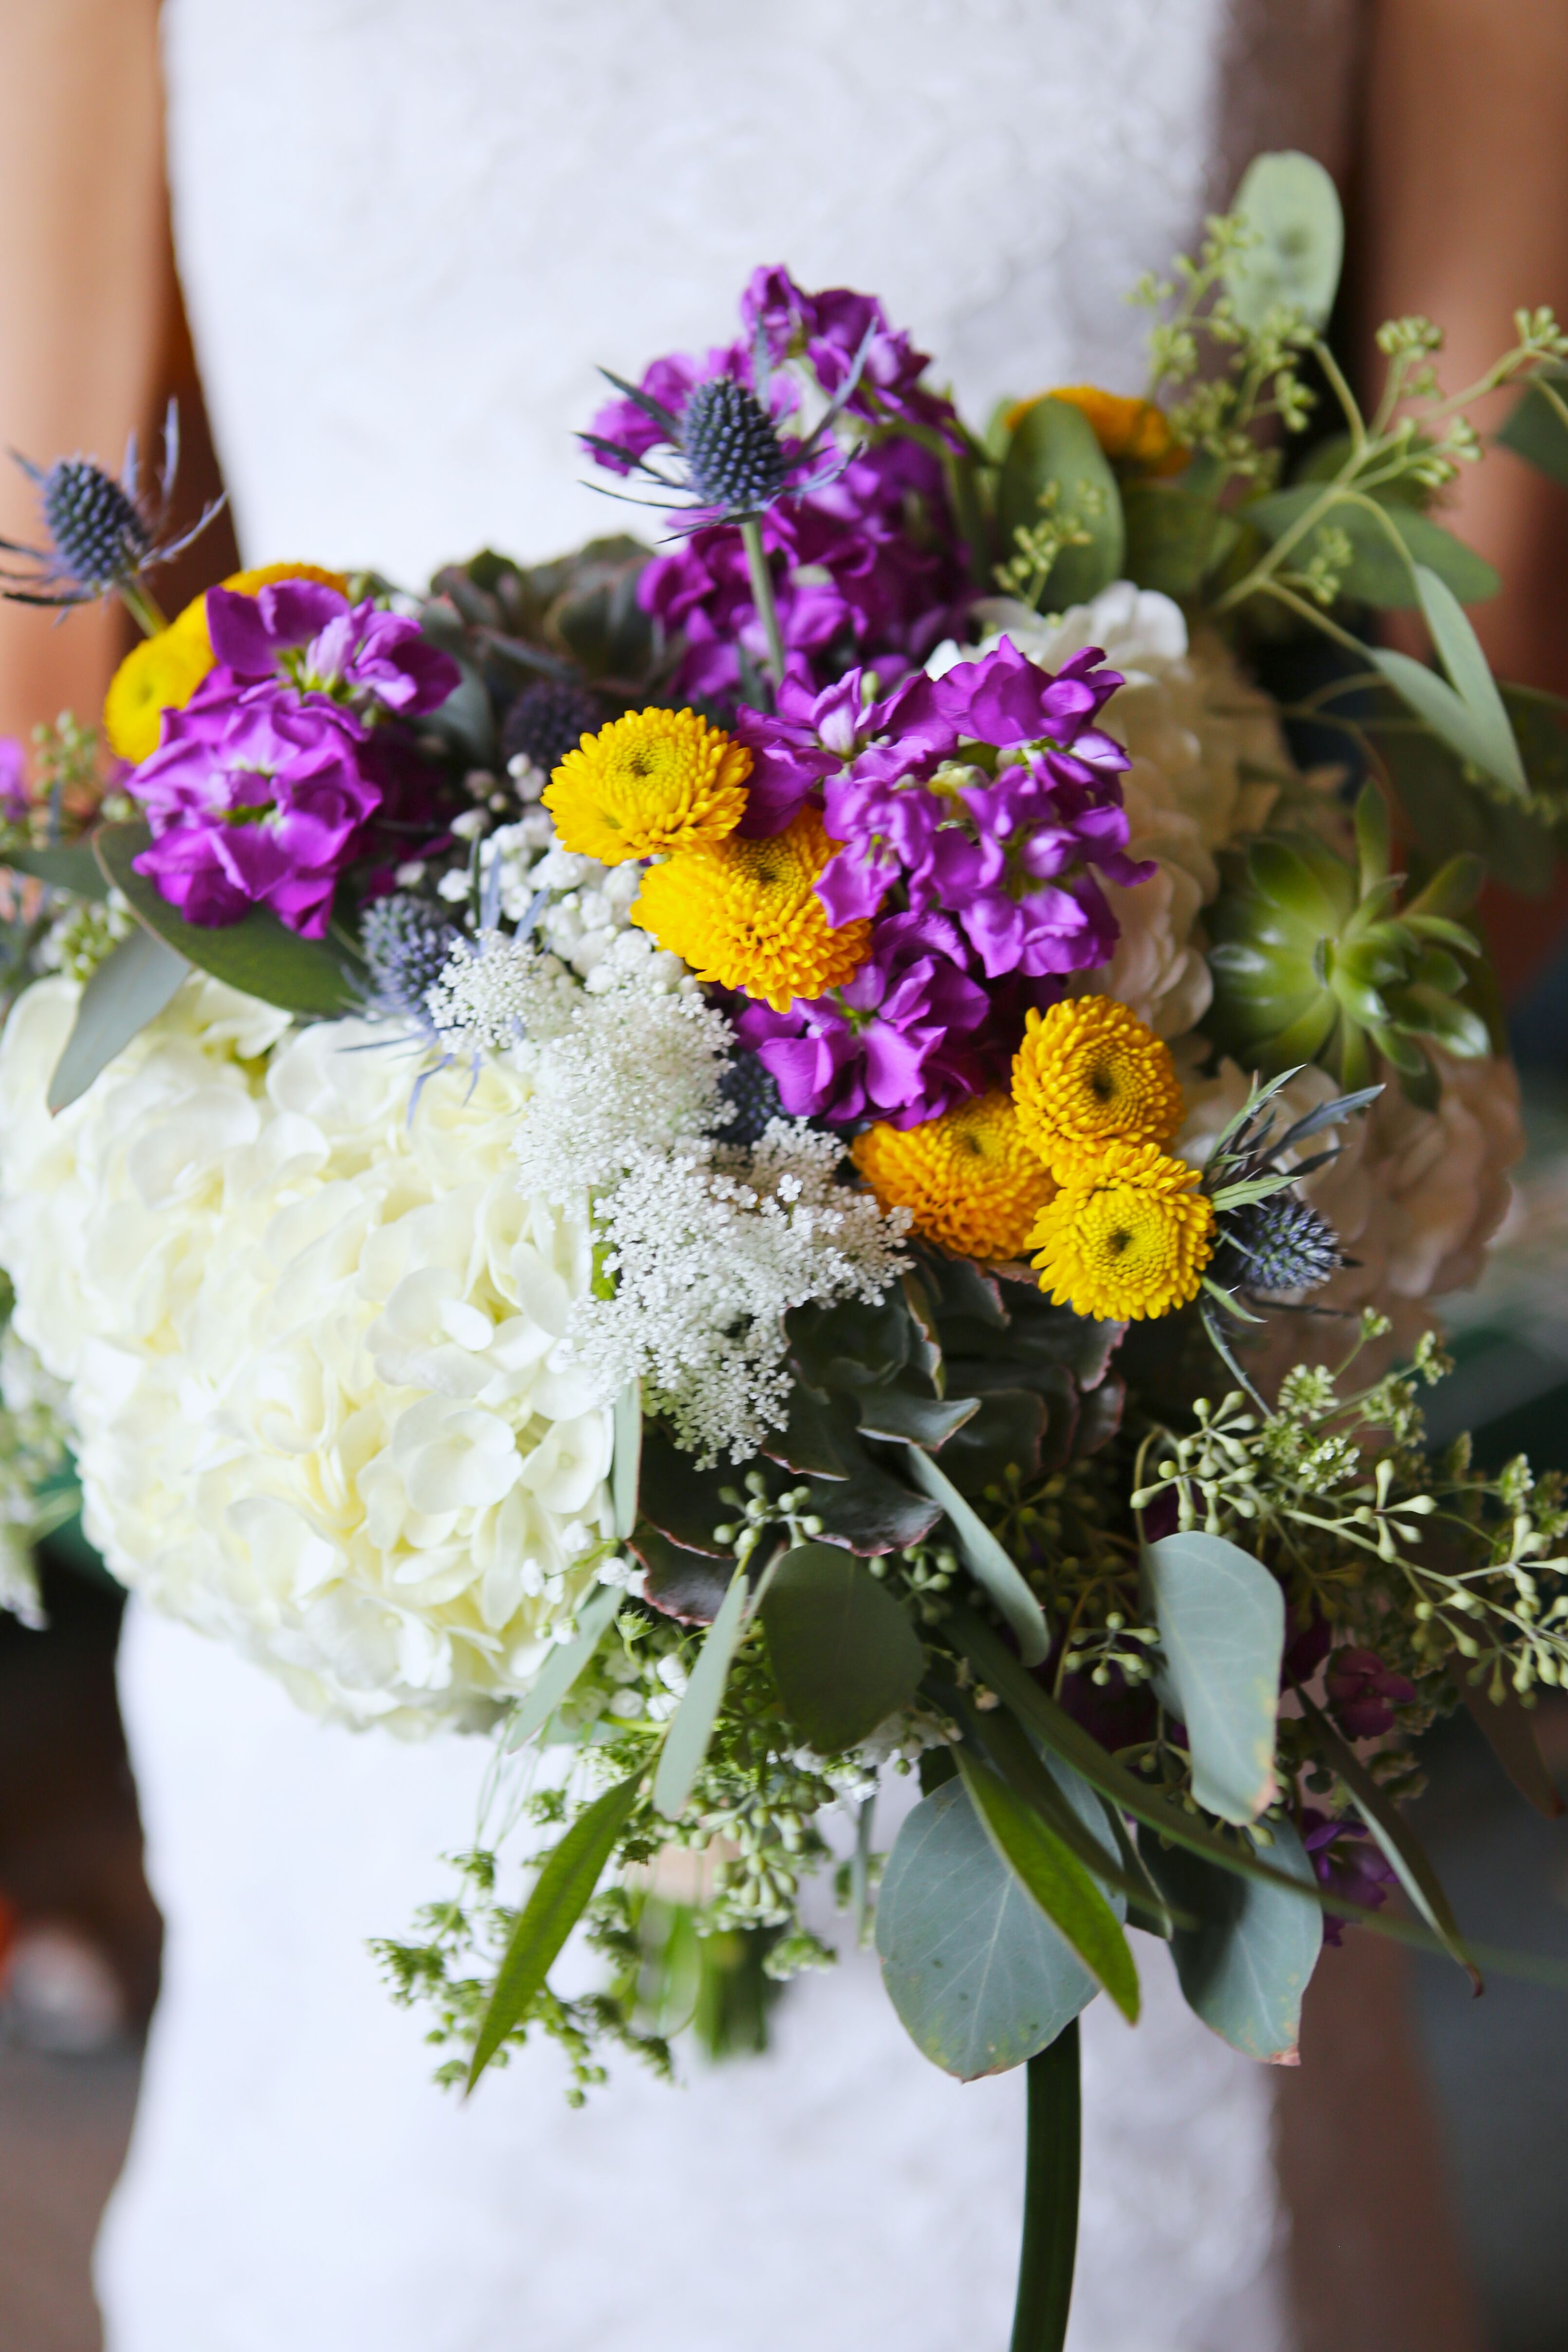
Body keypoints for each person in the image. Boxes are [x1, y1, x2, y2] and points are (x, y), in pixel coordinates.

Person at [1, 3, 1566, 2346]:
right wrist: (409, 1181)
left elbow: (1486, 700)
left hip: (1094, 1365)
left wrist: (1023, 1241)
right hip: (392, 1313)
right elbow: (43, 643)